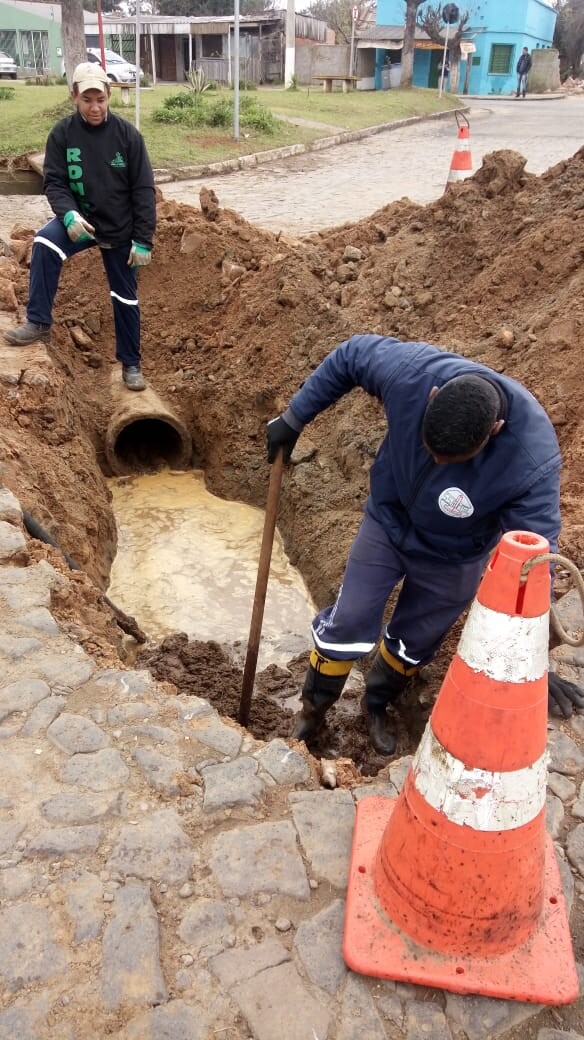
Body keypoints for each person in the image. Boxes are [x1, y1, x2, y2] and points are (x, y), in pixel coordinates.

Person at [266, 335, 584, 755]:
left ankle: (376, 704)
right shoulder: (411, 374)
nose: (436, 464)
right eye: (432, 451)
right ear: (431, 397)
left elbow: (536, 561)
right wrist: (294, 418)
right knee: (349, 621)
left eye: (451, 462)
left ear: (495, 431)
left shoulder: (530, 459)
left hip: (454, 556)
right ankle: (312, 715)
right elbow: (350, 354)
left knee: (416, 640)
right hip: (387, 521)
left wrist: (534, 657)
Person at [4, 62, 156, 392]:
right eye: (87, 99)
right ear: (74, 96)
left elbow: (143, 190)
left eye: (100, 99)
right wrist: (69, 216)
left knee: (125, 298)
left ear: (109, 96)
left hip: (119, 229)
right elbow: (55, 182)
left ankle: (131, 364)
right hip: (81, 222)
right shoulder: (63, 134)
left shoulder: (127, 136)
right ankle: (39, 322)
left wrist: (143, 240)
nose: (95, 107)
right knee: (45, 243)